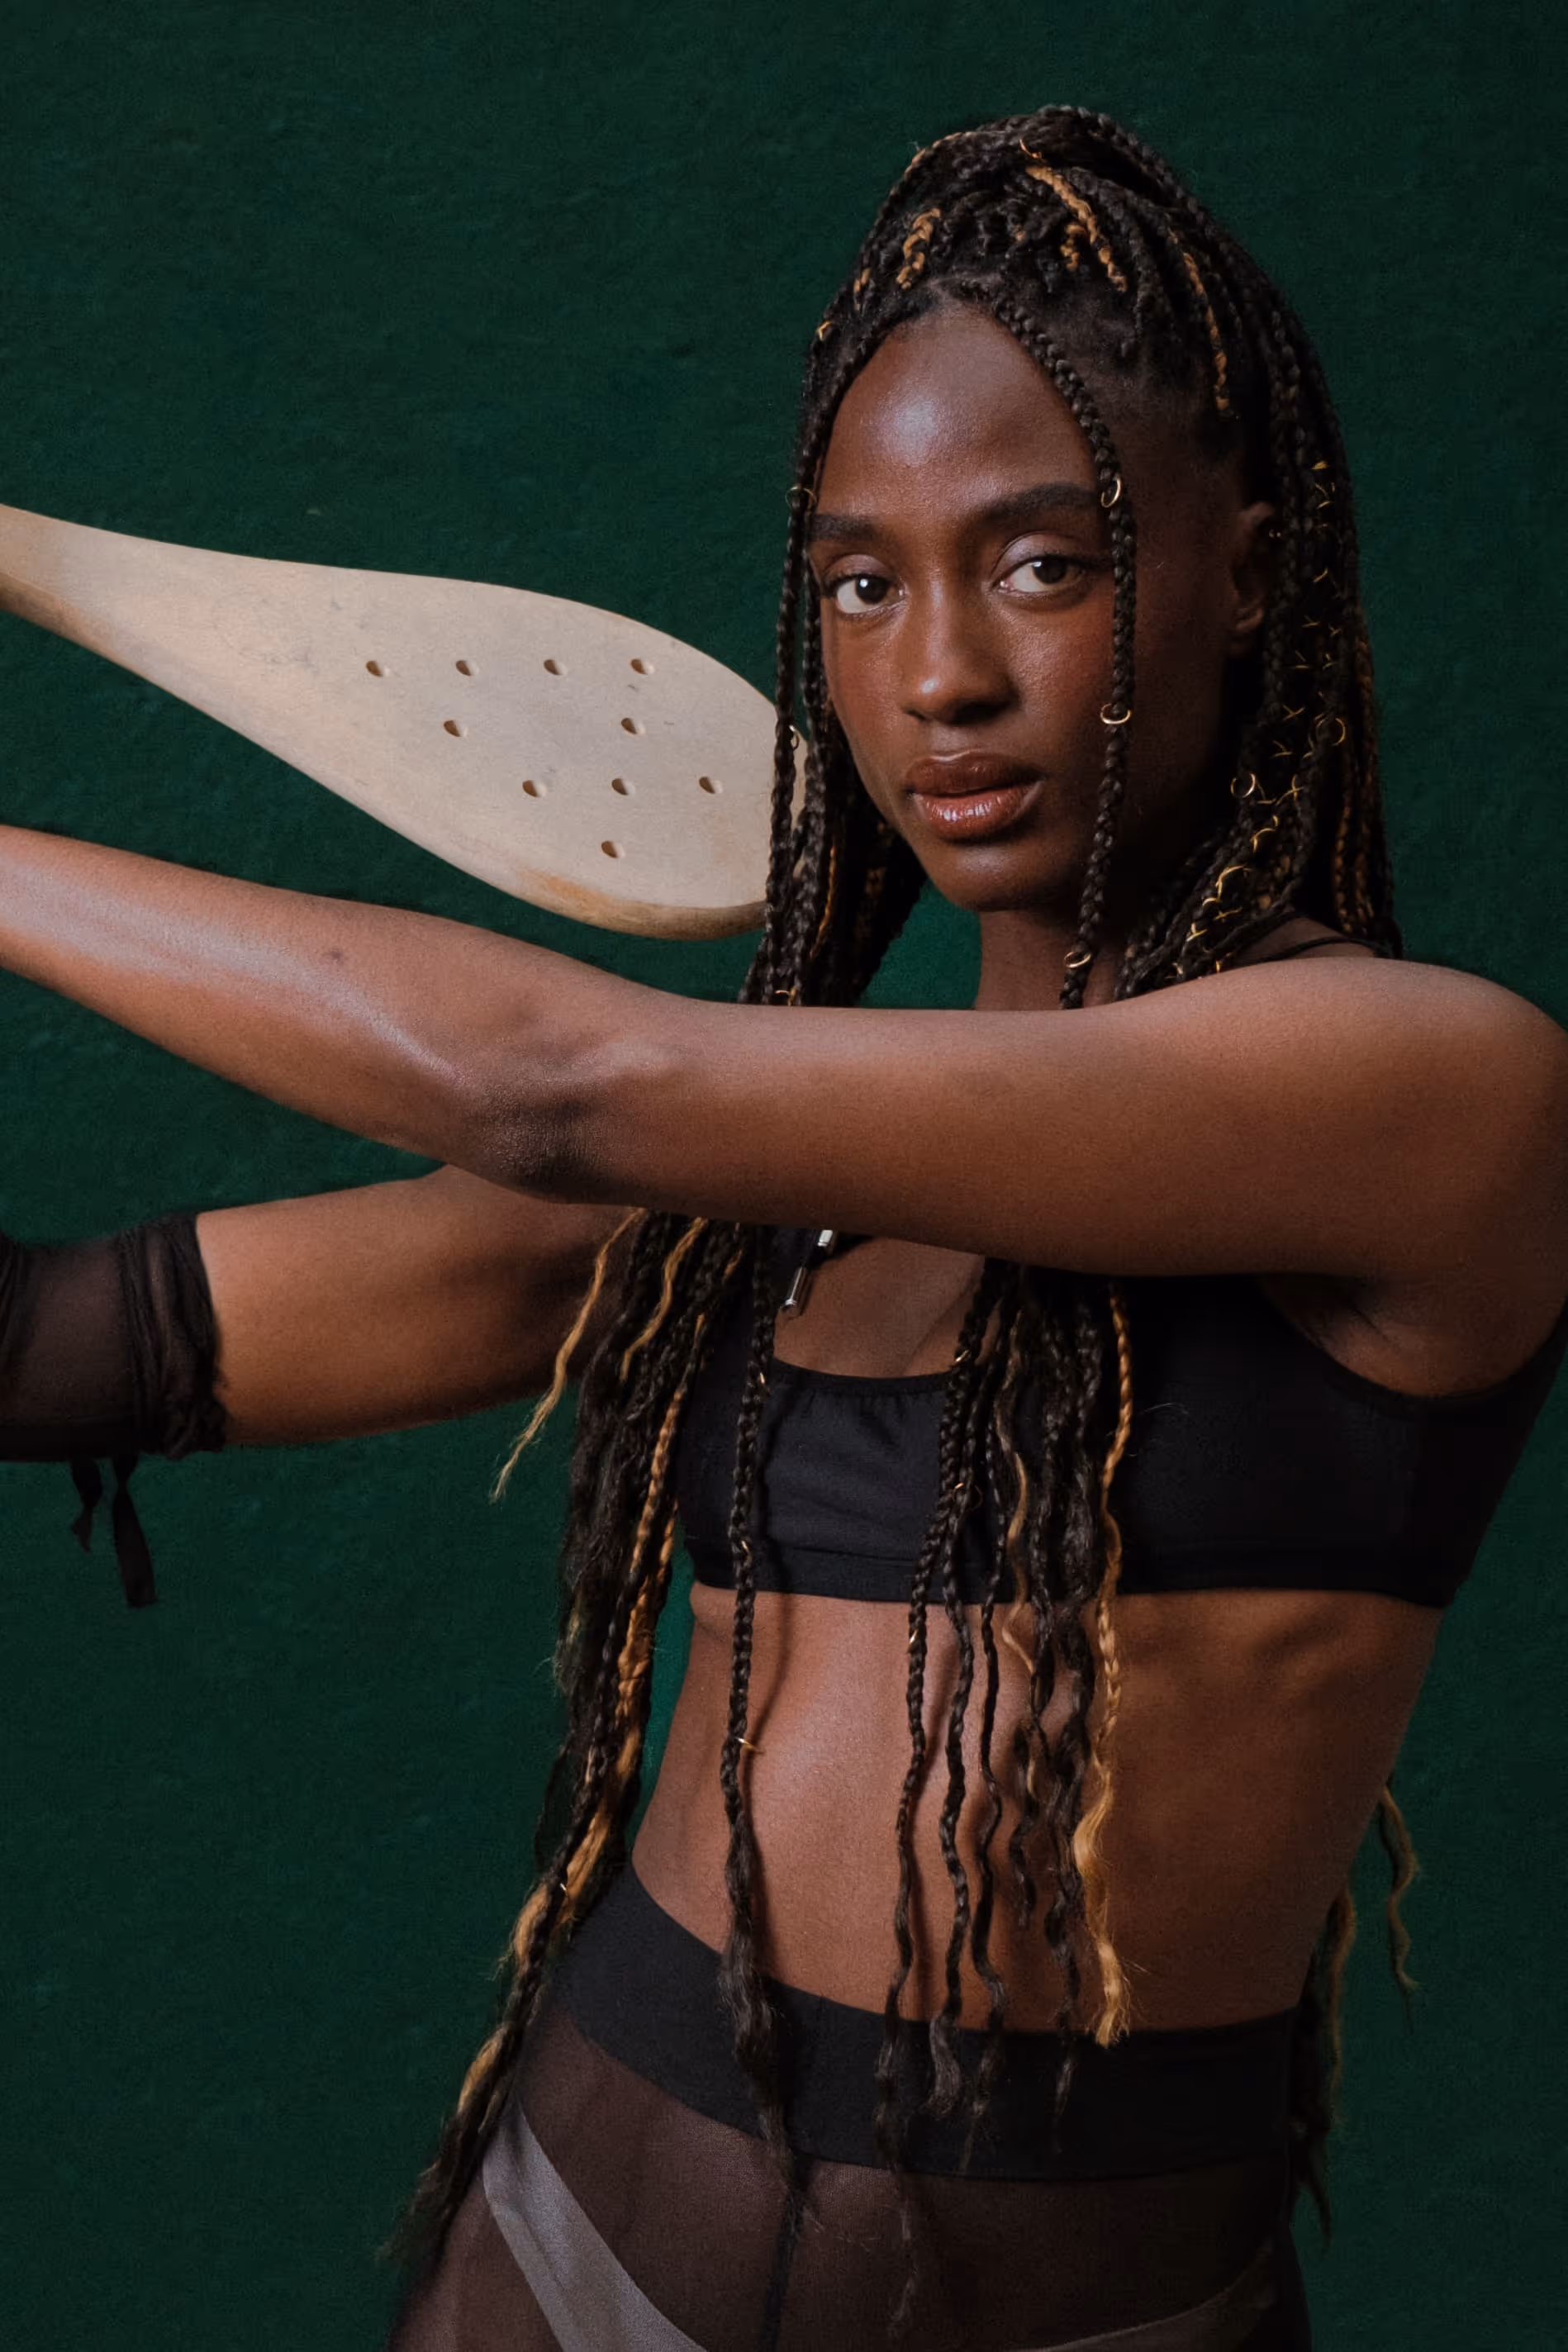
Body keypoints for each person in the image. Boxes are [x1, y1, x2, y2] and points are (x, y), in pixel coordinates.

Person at [2, 106, 1565, 2352]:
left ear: (1245, 569)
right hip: (552, 2253)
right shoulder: (779, 1190)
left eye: (1044, 564)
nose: (939, 674)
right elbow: (72, 1342)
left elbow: (554, 1087)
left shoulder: (1438, 1093)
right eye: (860, 582)